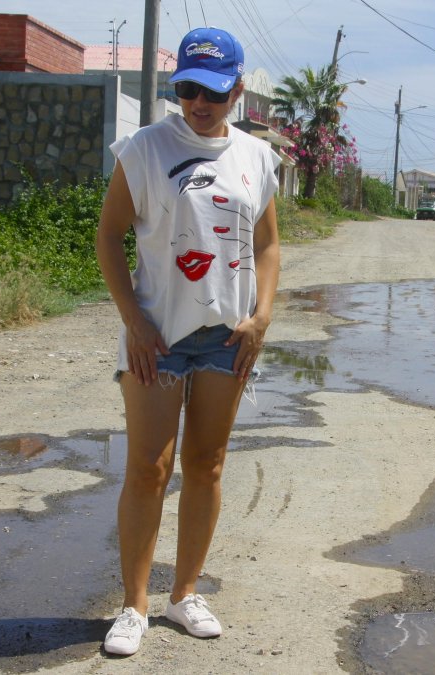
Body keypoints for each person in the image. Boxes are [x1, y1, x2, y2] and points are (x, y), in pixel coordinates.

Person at [94, 26, 281, 657]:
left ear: (238, 90)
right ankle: (134, 606)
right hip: (159, 337)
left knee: (207, 466)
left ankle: (185, 594)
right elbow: (109, 237)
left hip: (228, 339)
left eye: (215, 91)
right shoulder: (145, 150)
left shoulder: (256, 158)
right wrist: (134, 321)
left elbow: (267, 244)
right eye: (189, 89)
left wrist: (261, 317)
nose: (200, 103)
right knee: (149, 470)